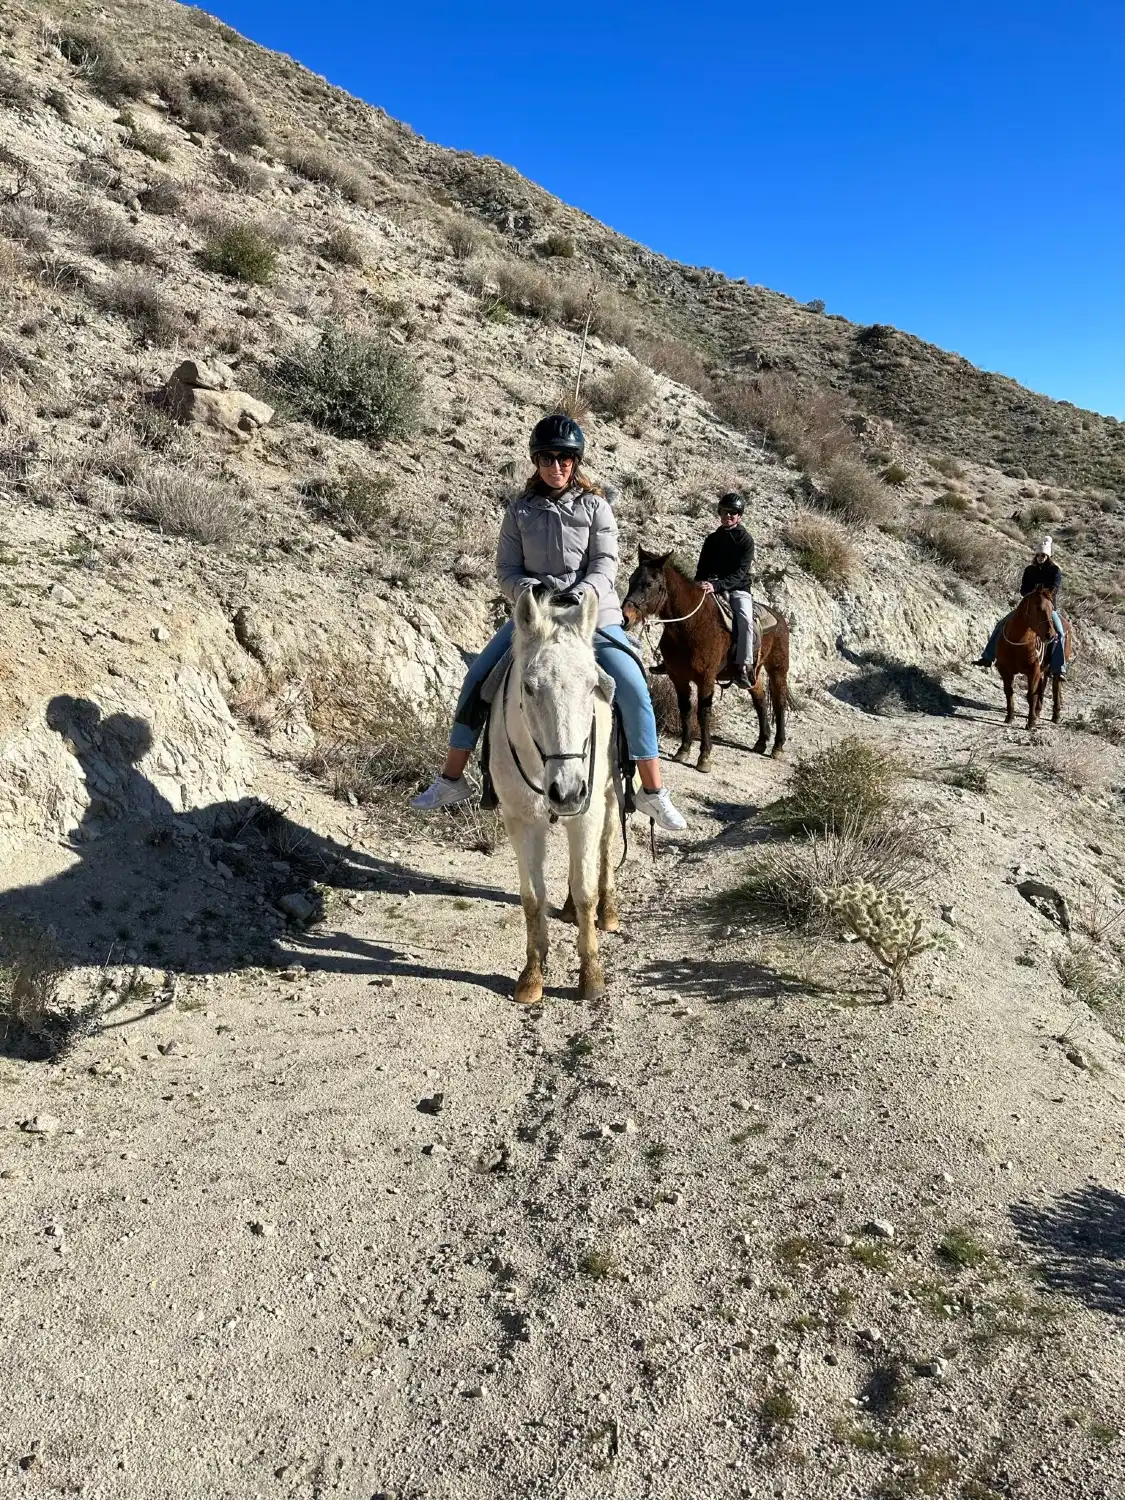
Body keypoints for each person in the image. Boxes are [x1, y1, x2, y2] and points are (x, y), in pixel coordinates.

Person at [411, 414, 687, 830]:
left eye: (564, 458)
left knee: (631, 683)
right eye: (547, 458)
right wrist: (532, 591)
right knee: (478, 679)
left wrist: (580, 594)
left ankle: (652, 791)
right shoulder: (519, 512)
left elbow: (605, 565)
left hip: (593, 616)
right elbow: (506, 569)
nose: (556, 466)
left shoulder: (597, 507)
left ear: (576, 461)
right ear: (535, 461)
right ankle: (452, 778)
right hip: (537, 620)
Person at [975, 535, 1066, 676]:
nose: (1040, 557)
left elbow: (1054, 589)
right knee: (1001, 624)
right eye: (1038, 555)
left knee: (1059, 633)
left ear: (1048, 556)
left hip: (1047, 608)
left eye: (1043, 555)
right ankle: (988, 657)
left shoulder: (1055, 571)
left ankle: (1058, 668)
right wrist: (1032, 595)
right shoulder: (1029, 570)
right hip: (1027, 608)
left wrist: (1041, 595)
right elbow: (1023, 589)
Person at [695, 492, 756, 686]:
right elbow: (701, 568)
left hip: (738, 588)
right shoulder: (712, 539)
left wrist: (716, 585)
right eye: (724, 511)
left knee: (745, 619)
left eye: (732, 512)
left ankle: (742, 666)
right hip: (712, 586)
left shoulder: (746, 541)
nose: (727, 516)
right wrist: (698, 584)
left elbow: (740, 573)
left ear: (739, 515)